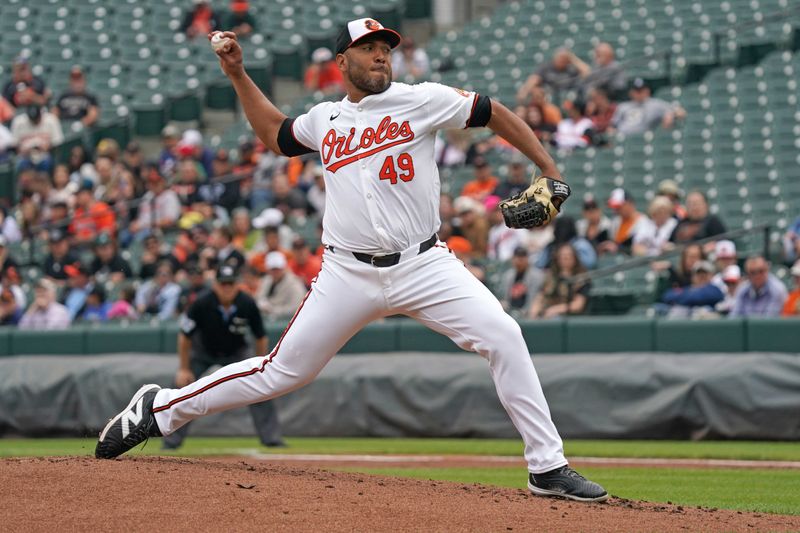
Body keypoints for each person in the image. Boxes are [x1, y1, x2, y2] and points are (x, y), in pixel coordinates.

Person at [95, 19, 608, 503]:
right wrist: (236, 73)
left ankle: (547, 467)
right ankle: (160, 408)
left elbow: (492, 111)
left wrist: (548, 169)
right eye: (369, 48)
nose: (381, 55)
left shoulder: (422, 99)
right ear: (343, 61)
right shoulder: (325, 118)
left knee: (503, 335)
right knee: (282, 373)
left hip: (424, 264)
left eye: (386, 48)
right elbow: (275, 135)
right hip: (348, 272)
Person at [162, 265, 283, 449]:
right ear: (215, 285)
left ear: (237, 285)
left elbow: (261, 337)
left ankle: (272, 439)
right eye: (223, 284)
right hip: (204, 352)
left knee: (261, 387)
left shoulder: (247, 303)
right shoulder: (201, 302)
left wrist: (261, 364)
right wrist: (184, 368)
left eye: (231, 284)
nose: (227, 288)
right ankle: (171, 441)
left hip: (237, 352)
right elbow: (184, 335)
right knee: (182, 387)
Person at [529, 243, 590, 319]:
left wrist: (555, 310)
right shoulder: (550, 276)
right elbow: (540, 296)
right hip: (545, 313)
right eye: (563, 255)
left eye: (569, 255)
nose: (566, 257)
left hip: (568, 317)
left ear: (575, 258)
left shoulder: (581, 278)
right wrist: (534, 311)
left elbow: (578, 305)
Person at [610, 78, 685, 136]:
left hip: (642, 139)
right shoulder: (623, 106)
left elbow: (681, 112)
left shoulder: (654, 104)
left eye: (641, 90)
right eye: (636, 91)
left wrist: (670, 114)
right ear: (631, 92)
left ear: (647, 91)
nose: (639, 94)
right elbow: (612, 126)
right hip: (622, 138)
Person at [516, 48, 590, 103]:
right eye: (560, 58)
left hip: (569, 98)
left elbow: (588, 73)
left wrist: (573, 59)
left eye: (564, 59)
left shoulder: (571, 68)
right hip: (550, 97)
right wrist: (524, 92)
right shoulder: (546, 67)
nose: (561, 61)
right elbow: (534, 79)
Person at [659, 260, 724, 318]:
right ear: (692, 276)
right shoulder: (686, 289)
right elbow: (667, 296)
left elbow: (699, 297)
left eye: (705, 274)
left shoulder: (714, 289)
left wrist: (683, 297)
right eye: (698, 274)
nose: (701, 277)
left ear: (711, 276)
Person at [10, 105, 63, 173]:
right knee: (23, 164)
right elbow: (14, 145)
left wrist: (47, 148)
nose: (34, 121)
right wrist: (23, 151)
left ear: (41, 114)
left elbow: (57, 143)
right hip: (25, 156)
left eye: (36, 118)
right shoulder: (18, 121)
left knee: (46, 163)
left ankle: (44, 182)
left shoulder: (51, 119)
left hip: (45, 155)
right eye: (32, 119)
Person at [599, 188, 651, 255]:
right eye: (615, 207)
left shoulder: (644, 223)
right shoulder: (616, 221)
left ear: (630, 203)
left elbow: (641, 251)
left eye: (619, 207)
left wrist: (618, 248)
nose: (616, 210)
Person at [256, 251, 307, 319]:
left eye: (278, 268)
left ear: (284, 267)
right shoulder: (267, 280)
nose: (275, 271)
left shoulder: (295, 284)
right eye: (273, 269)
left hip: (288, 321)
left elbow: (295, 308)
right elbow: (259, 297)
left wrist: (272, 309)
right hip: (267, 319)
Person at [500, 246, 544, 317]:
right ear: (513, 259)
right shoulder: (508, 276)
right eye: (517, 258)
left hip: (528, 313)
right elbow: (504, 298)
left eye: (522, 258)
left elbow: (534, 299)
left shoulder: (537, 275)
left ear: (527, 259)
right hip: (509, 312)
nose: (520, 261)